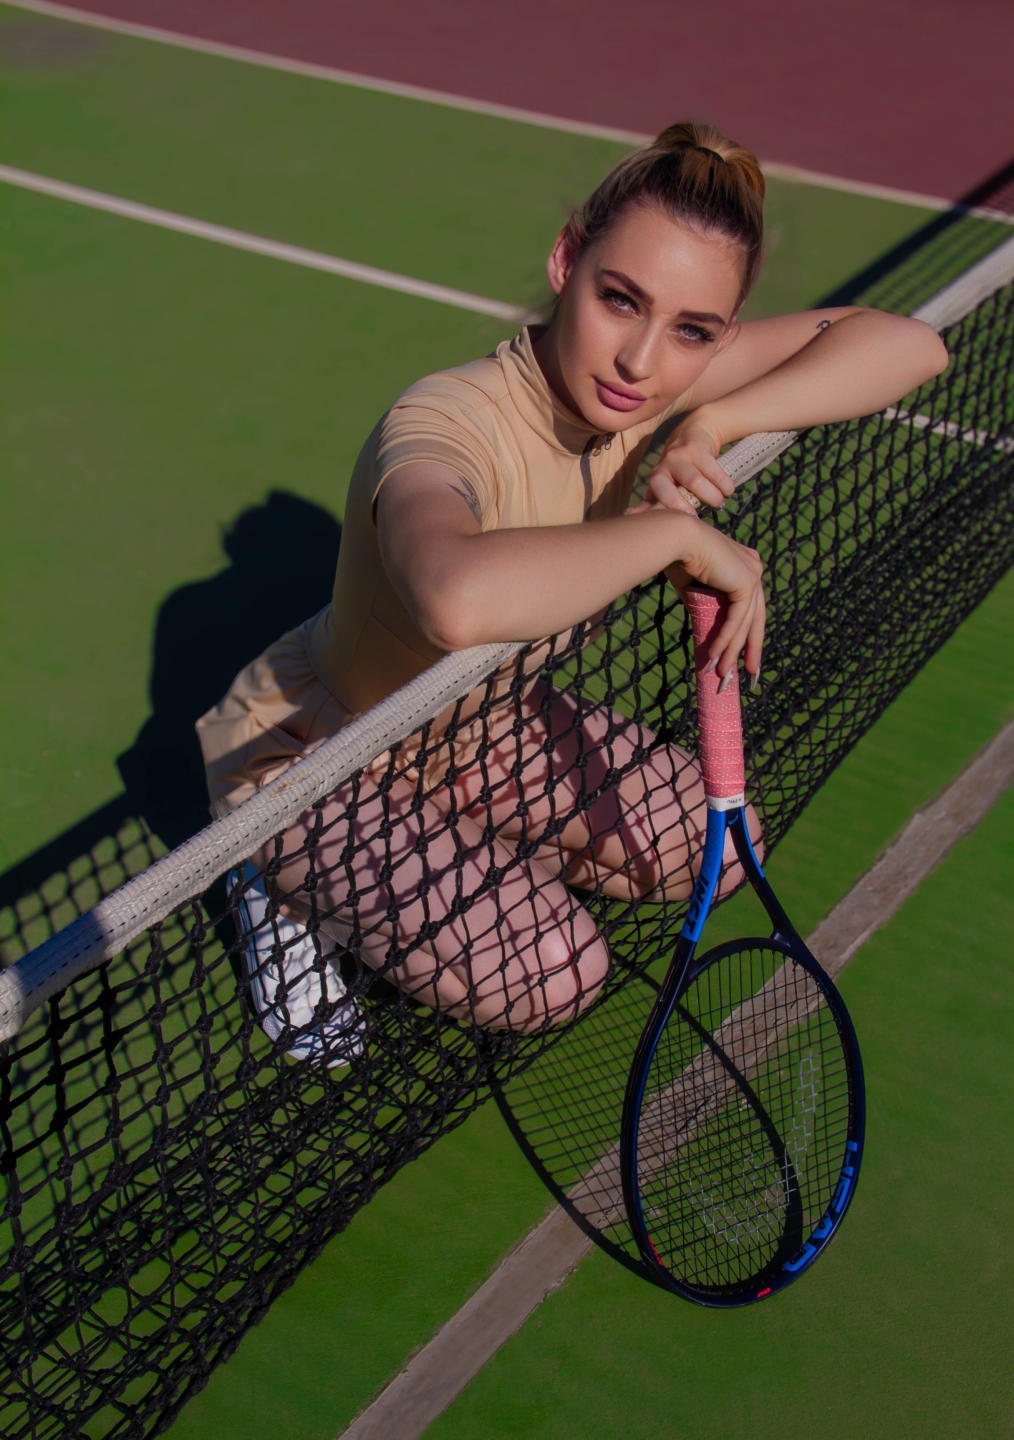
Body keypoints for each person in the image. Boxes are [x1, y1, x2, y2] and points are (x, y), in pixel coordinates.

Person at [196, 122, 947, 1063]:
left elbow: (908, 345)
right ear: (566, 260)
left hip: (483, 728)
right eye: (619, 300)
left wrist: (716, 420)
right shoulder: (444, 420)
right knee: (553, 971)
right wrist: (673, 534)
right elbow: (454, 600)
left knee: (719, 845)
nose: (640, 361)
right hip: (321, 754)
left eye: (693, 331)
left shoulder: (655, 388)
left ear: (719, 334)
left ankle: (455, 851)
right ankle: (274, 880)